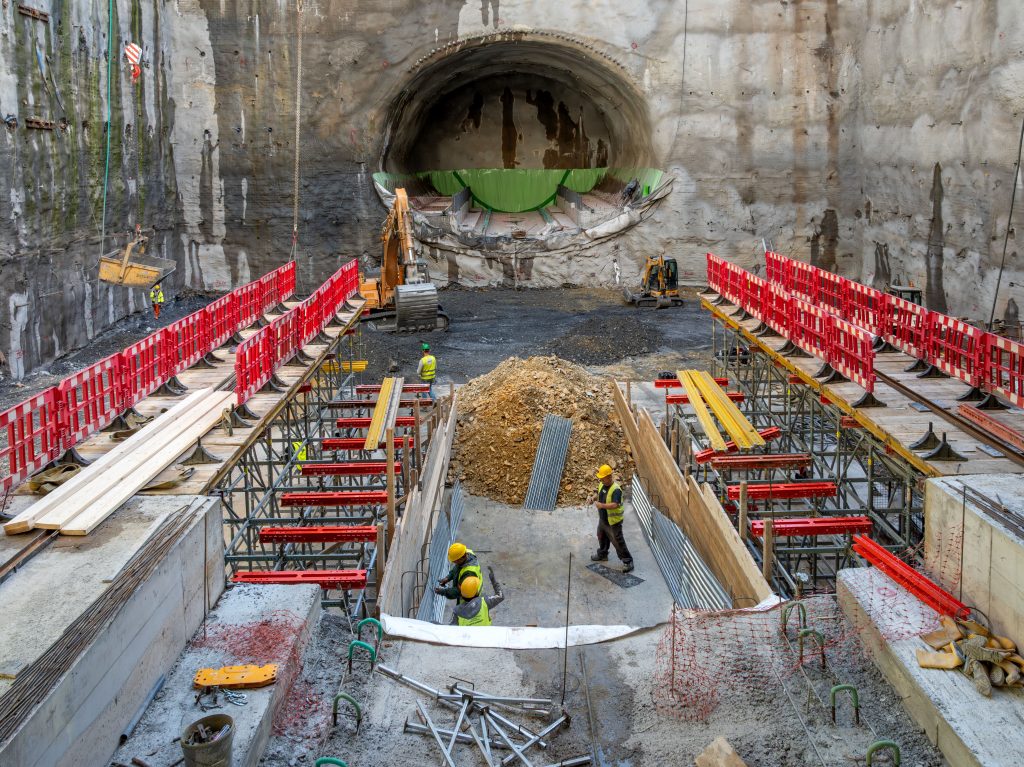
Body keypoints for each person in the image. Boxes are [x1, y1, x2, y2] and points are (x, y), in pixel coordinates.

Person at [591, 464, 634, 573]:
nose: (600, 479)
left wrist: (602, 506)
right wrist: (594, 497)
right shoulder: (602, 484)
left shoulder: (616, 490)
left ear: (609, 477)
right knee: (601, 536)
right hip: (603, 519)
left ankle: (628, 561)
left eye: (603, 477)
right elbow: (600, 494)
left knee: (618, 541)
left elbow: (615, 504)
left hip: (613, 522)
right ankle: (603, 554)